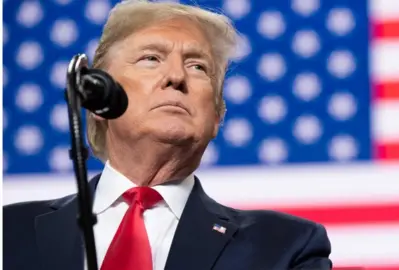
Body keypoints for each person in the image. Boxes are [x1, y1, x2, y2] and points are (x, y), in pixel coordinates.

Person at [3, 1, 332, 269]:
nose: (176, 76)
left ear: (217, 116)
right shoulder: (9, 232)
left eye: (197, 67)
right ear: (98, 96)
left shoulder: (285, 247)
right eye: (151, 58)